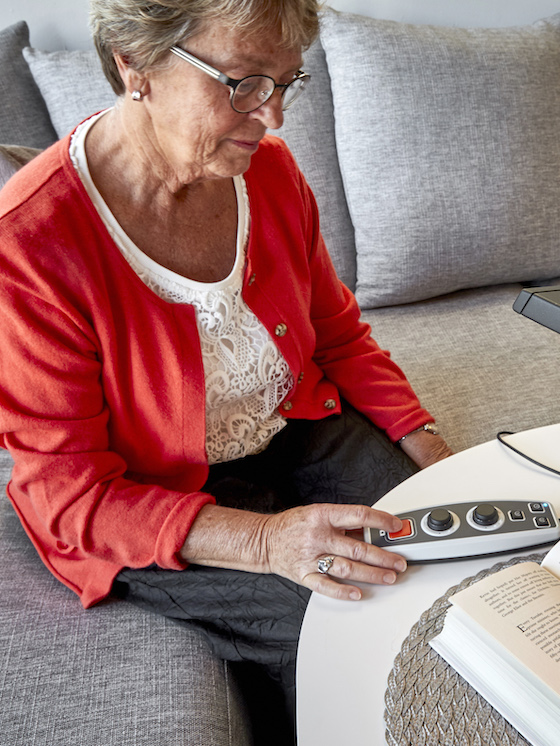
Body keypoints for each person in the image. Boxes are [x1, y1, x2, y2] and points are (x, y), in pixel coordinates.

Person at [0, 0, 453, 741]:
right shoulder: (30, 244)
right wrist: (266, 541)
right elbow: (69, 496)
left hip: (294, 426)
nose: (271, 119)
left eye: (284, 83)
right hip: (145, 499)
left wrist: (434, 449)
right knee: (338, 622)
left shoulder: (267, 173)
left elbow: (337, 336)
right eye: (241, 82)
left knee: (443, 551)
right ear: (134, 64)